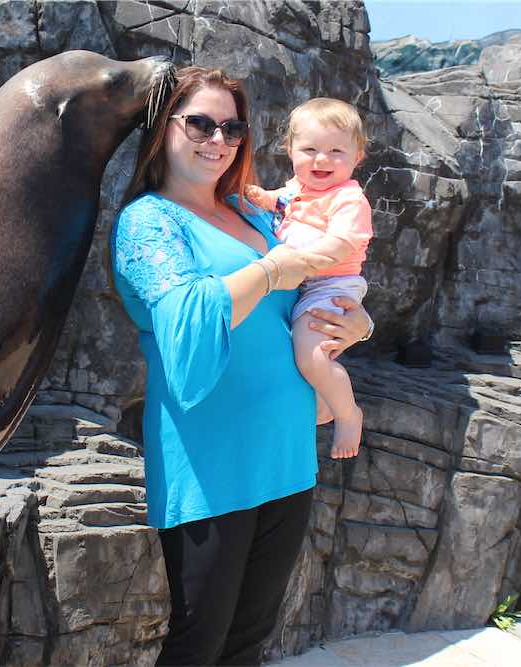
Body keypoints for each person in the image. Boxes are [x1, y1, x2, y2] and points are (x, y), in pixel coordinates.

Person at [110, 66, 373, 666]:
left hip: (286, 451)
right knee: (200, 642)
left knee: (250, 640)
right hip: (209, 459)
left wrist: (359, 325)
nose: (218, 138)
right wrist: (273, 271)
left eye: (232, 126)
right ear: (163, 130)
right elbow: (187, 316)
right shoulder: (148, 222)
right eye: (199, 122)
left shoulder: (258, 216)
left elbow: (312, 298)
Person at [244, 98, 374, 460]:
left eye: (336, 151)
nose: (321, 160)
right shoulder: (296, 188)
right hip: (306, 283)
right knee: (305, 351)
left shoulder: (348, 198)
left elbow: (340, 244)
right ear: (289, 150)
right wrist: (260, 197)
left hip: (331, 285)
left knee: (312, 355)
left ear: (357, 156)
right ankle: (321, 397)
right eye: (310, 149)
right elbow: (277, 202)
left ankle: (348, 415)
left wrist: (300, 264)